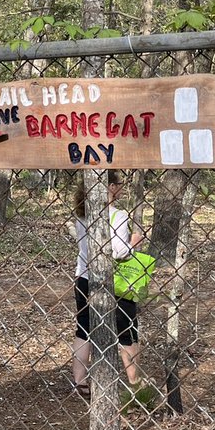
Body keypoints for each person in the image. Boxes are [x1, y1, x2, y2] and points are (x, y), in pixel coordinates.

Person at [68, 170, 145, 397]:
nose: (121, 187)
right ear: (110, 186)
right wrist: (134, 242)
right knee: (127, 331)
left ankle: (80, 381)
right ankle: (135, 382)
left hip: (84, 277)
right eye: (119, 183)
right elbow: (120, 252)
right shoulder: (117, 215)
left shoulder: (82, 215)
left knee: (84, 328)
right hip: (114, 282)